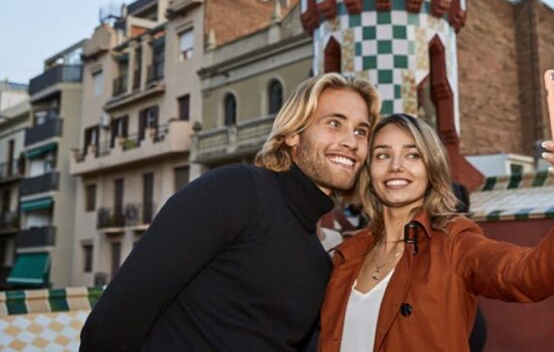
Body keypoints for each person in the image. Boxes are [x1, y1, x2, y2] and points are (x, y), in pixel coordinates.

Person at [80, 73, 381, 351]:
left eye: (361, 131)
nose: (350, 142)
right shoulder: (237, 191)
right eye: (334, 123)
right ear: (293, 134)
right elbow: (116, 317)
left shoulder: (318, 260)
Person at [318, 112, 554, 351]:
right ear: (369, 171)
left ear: (432, 168)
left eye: (412, 155)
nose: (396, 165)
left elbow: (528, 274)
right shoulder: (348, 254)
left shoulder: (455, 243)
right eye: (382, 155)